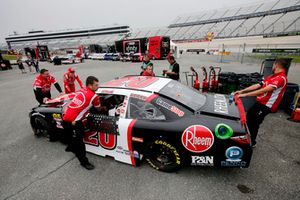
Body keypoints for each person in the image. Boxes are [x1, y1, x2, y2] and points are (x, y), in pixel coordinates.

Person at [235, 58, 288, 147]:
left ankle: (251, 143)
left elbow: (262, 91)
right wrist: (242, 91)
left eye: (274, 65)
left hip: (266, 106)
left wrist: (245, 95)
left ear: (276, 65)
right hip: (259, 103)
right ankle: (246, 138)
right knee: (248, 119)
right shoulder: (272, 76)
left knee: (254, 123)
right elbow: (258, 85)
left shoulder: (281, 78)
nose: (272, 66)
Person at [63, 76, 103, 170]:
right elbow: (98, 108)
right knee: (80, 143)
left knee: (68, 135)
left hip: (65, 116)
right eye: (96, 85)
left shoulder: (81, 90)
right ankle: (84, 162)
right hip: (75, 121)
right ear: (90, 85)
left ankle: (70, 147)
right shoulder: (94, 96)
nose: (98, 86)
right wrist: (104, 107)